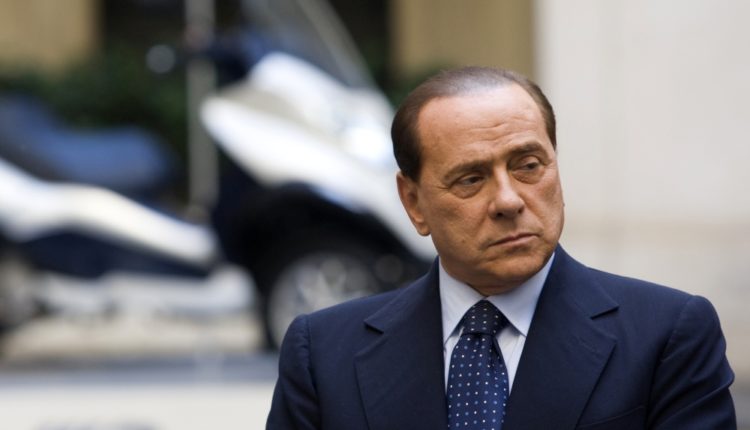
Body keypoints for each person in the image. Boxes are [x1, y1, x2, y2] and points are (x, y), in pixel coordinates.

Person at [266, 66, 736, 429]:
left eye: (528, 165)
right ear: (414, 203)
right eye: (471, 179)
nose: (509, 201)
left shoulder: (667, 335)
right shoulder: (323, 353)